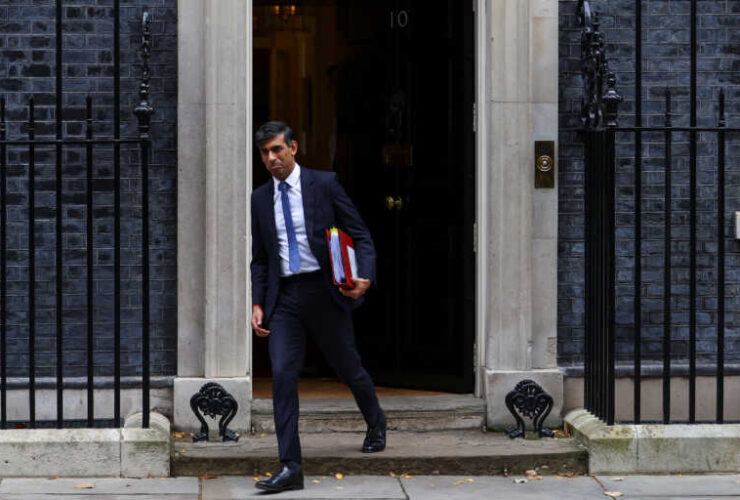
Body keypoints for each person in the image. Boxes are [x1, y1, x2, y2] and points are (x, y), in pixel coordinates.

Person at [250, 121, 386, 493]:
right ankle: (290, 466)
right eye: (265, 152)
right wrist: (258, 302)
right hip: (285, 298)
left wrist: (365, 276)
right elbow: (260, 259)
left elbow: (361, 234)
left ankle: (375, 420)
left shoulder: (324, 184)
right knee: (282, 374)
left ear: (293, 148)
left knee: (348, 368)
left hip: (324, 292)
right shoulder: (259, 198)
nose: (271, 158)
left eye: (277, 149)